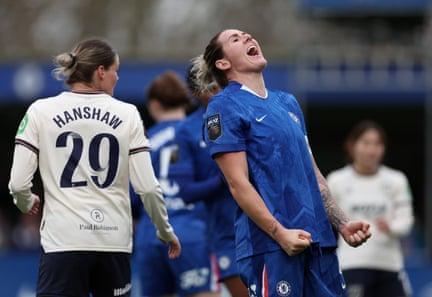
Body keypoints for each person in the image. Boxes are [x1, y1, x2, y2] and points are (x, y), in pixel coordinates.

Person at [199, 29, 372, 297]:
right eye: (236, 39)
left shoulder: (288, 102)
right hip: (271, 246)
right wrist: (279, 233)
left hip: (319, 241)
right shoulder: (224, 106)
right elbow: (237, 183)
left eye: (247, 35)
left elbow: (311, 171)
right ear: (223, 64)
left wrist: (341, 223)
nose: (248, 38)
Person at [8, 38, 181, 297]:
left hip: (62, 241)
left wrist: (26, 202)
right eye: (115, 70)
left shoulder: (40, 111)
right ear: (101, 71)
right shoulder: (129, 114)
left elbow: (18, 183)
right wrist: (164, 230)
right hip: (113, 243)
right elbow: (147, 187)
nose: (118, 78)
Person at [131, 70, 220, 297]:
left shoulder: (142, 140)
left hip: (150, 236)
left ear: (154, 105)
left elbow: (132, 200)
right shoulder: (201, 131)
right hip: (192, 231)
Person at [169, 57, 248, 297]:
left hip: (263, 226)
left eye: (218, 82)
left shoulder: (245, 114)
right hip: (225, 234)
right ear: (195, 91)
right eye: (208, 84)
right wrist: (224, 179)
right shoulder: (186, 131)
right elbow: (185, 190)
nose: (216, 89)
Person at [326, 120, 414, 297]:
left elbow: (406, 221)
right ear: (352, 146)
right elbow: (325, 221)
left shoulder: (397, 180)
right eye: (366, 143)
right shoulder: (336, 180)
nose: (371, 150)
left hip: (390, 265)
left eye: (377, 144)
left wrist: (392, 227)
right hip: (351, 265)